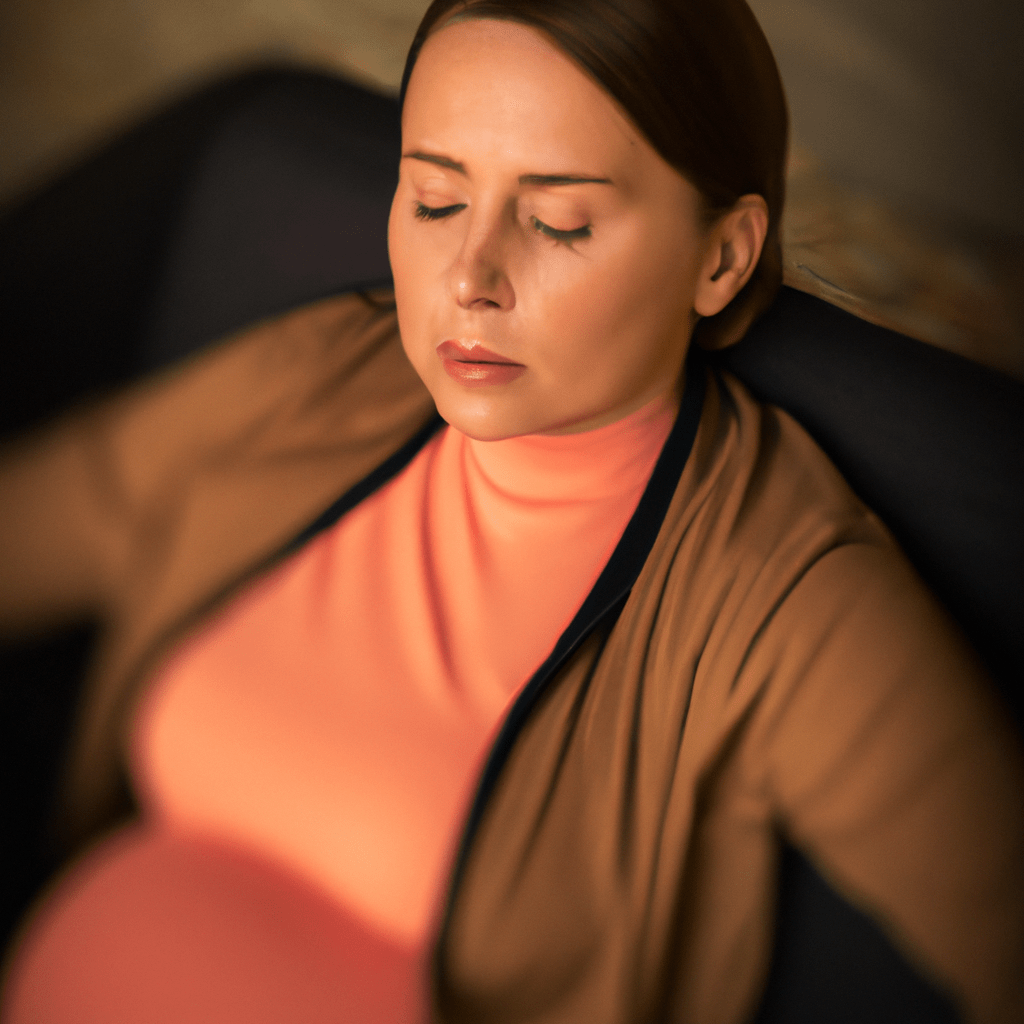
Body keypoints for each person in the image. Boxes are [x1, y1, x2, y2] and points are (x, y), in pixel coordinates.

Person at [1, 0, 1022, 1021]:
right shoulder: (323, 373)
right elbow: (58, 515)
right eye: (436, 201)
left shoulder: (778, 599)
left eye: (556, 221)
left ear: (720, 259)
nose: (468, 279)